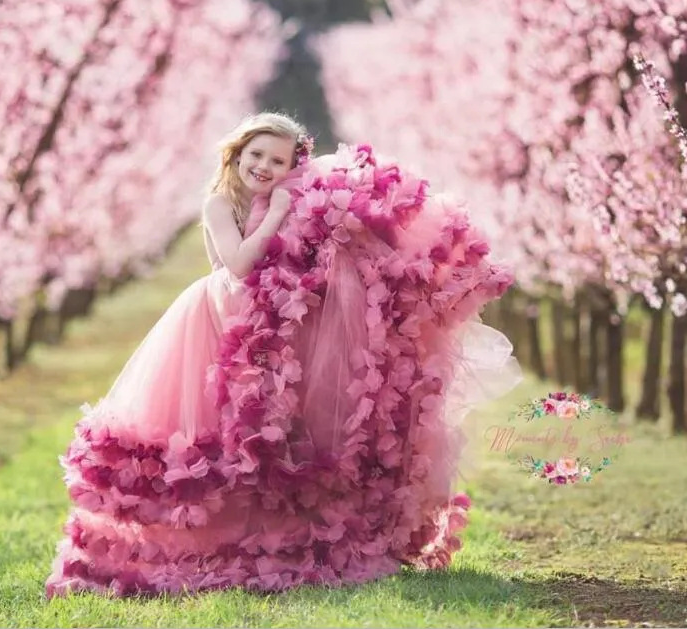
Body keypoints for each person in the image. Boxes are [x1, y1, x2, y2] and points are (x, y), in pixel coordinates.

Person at [45, 112, 523, 598]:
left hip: (270, 327)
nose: (264, 166)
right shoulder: (219, 203)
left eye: (277, 160)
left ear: (292, 166)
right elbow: (239, 261)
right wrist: (275, 213)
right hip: (219, 320)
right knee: (215, 424)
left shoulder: (294, 203)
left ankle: (278, 534)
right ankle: (198, 536)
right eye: (256, 155)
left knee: (278, 432)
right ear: (236, 155)